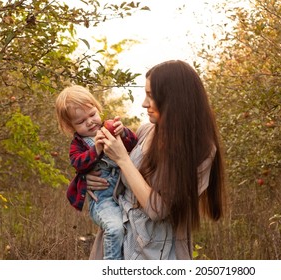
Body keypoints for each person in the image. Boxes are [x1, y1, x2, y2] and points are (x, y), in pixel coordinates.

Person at [87, 60, 225, 260]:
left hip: (155, 254)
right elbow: (126, 181)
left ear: (175, 100)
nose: (144, 103)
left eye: (151, 96)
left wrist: (122, 158)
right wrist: (92, 177)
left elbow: (158, 210)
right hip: (117, 247)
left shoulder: (202, 151)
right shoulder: (146, 131)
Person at [55, 85, 138, 260]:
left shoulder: (109, 130)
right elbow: (78, 164)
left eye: (92, 114)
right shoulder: (78, 144)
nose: (90, 122)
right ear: (71, 127)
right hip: (102, 200)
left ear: (98, 109)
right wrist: (97, 148)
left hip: (123, 194)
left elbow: (134, 145)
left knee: (132, 229)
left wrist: (123, 133)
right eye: (80, 121)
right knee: (114, 228)